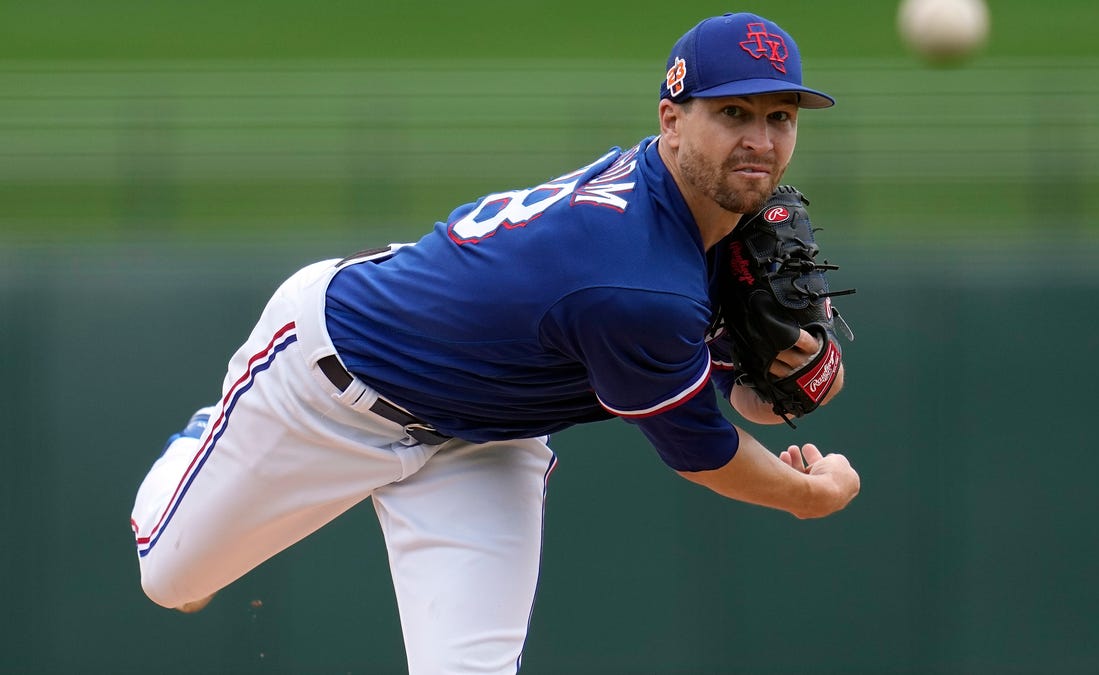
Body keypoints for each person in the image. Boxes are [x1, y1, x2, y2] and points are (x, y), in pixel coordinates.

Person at [130, 11, 861, 674]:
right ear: (671, 120)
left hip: (485, 438)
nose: (760, 141)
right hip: (330, 379)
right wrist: (807, 493)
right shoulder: (638, 284)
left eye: (780, 115)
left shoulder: (696, 213)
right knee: (171, 580)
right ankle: (210, 434)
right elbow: (704, 453)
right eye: (733, 113)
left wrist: (773, 372)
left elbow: (725, 383)